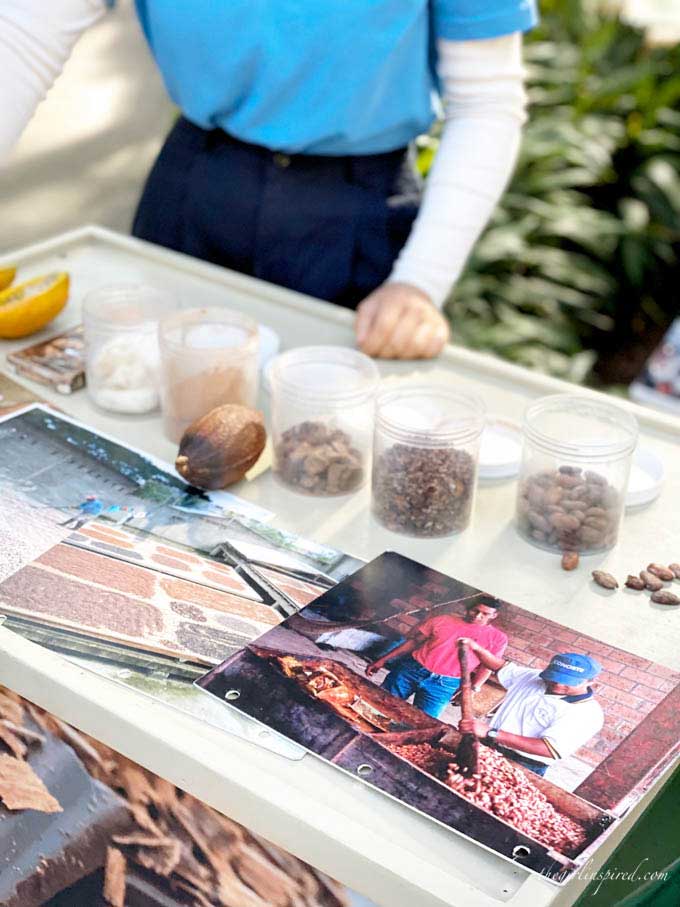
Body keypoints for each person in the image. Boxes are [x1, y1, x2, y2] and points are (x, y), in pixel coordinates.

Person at [1, 1, 536, 360]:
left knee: (321, 460)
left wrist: (419, 283)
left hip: (357, 211)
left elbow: (486, 99)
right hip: (196, 180)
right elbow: (20, 42)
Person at [455, 644, 604, 777]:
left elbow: (549, 749)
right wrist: (476, 648)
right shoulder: (533, 677)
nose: (557, 684)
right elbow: (499, 666)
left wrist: (491, 732)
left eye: (568, 682)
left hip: (522, 763)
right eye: (554, 677)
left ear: (591, 682)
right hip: (485, 745)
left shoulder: (588, 713)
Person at [365, 597, 507, 718]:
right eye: (475, 610)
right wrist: (382, 660)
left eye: (485, 614)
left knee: (421, 723)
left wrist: (473, 689)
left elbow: (487, 666)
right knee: (377, 704)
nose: (477, 616)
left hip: (445, 684)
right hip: (411, 670)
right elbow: (414, 642)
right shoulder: (443, 620)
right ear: (469, 608)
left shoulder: (498, 638)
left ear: (494, 615)